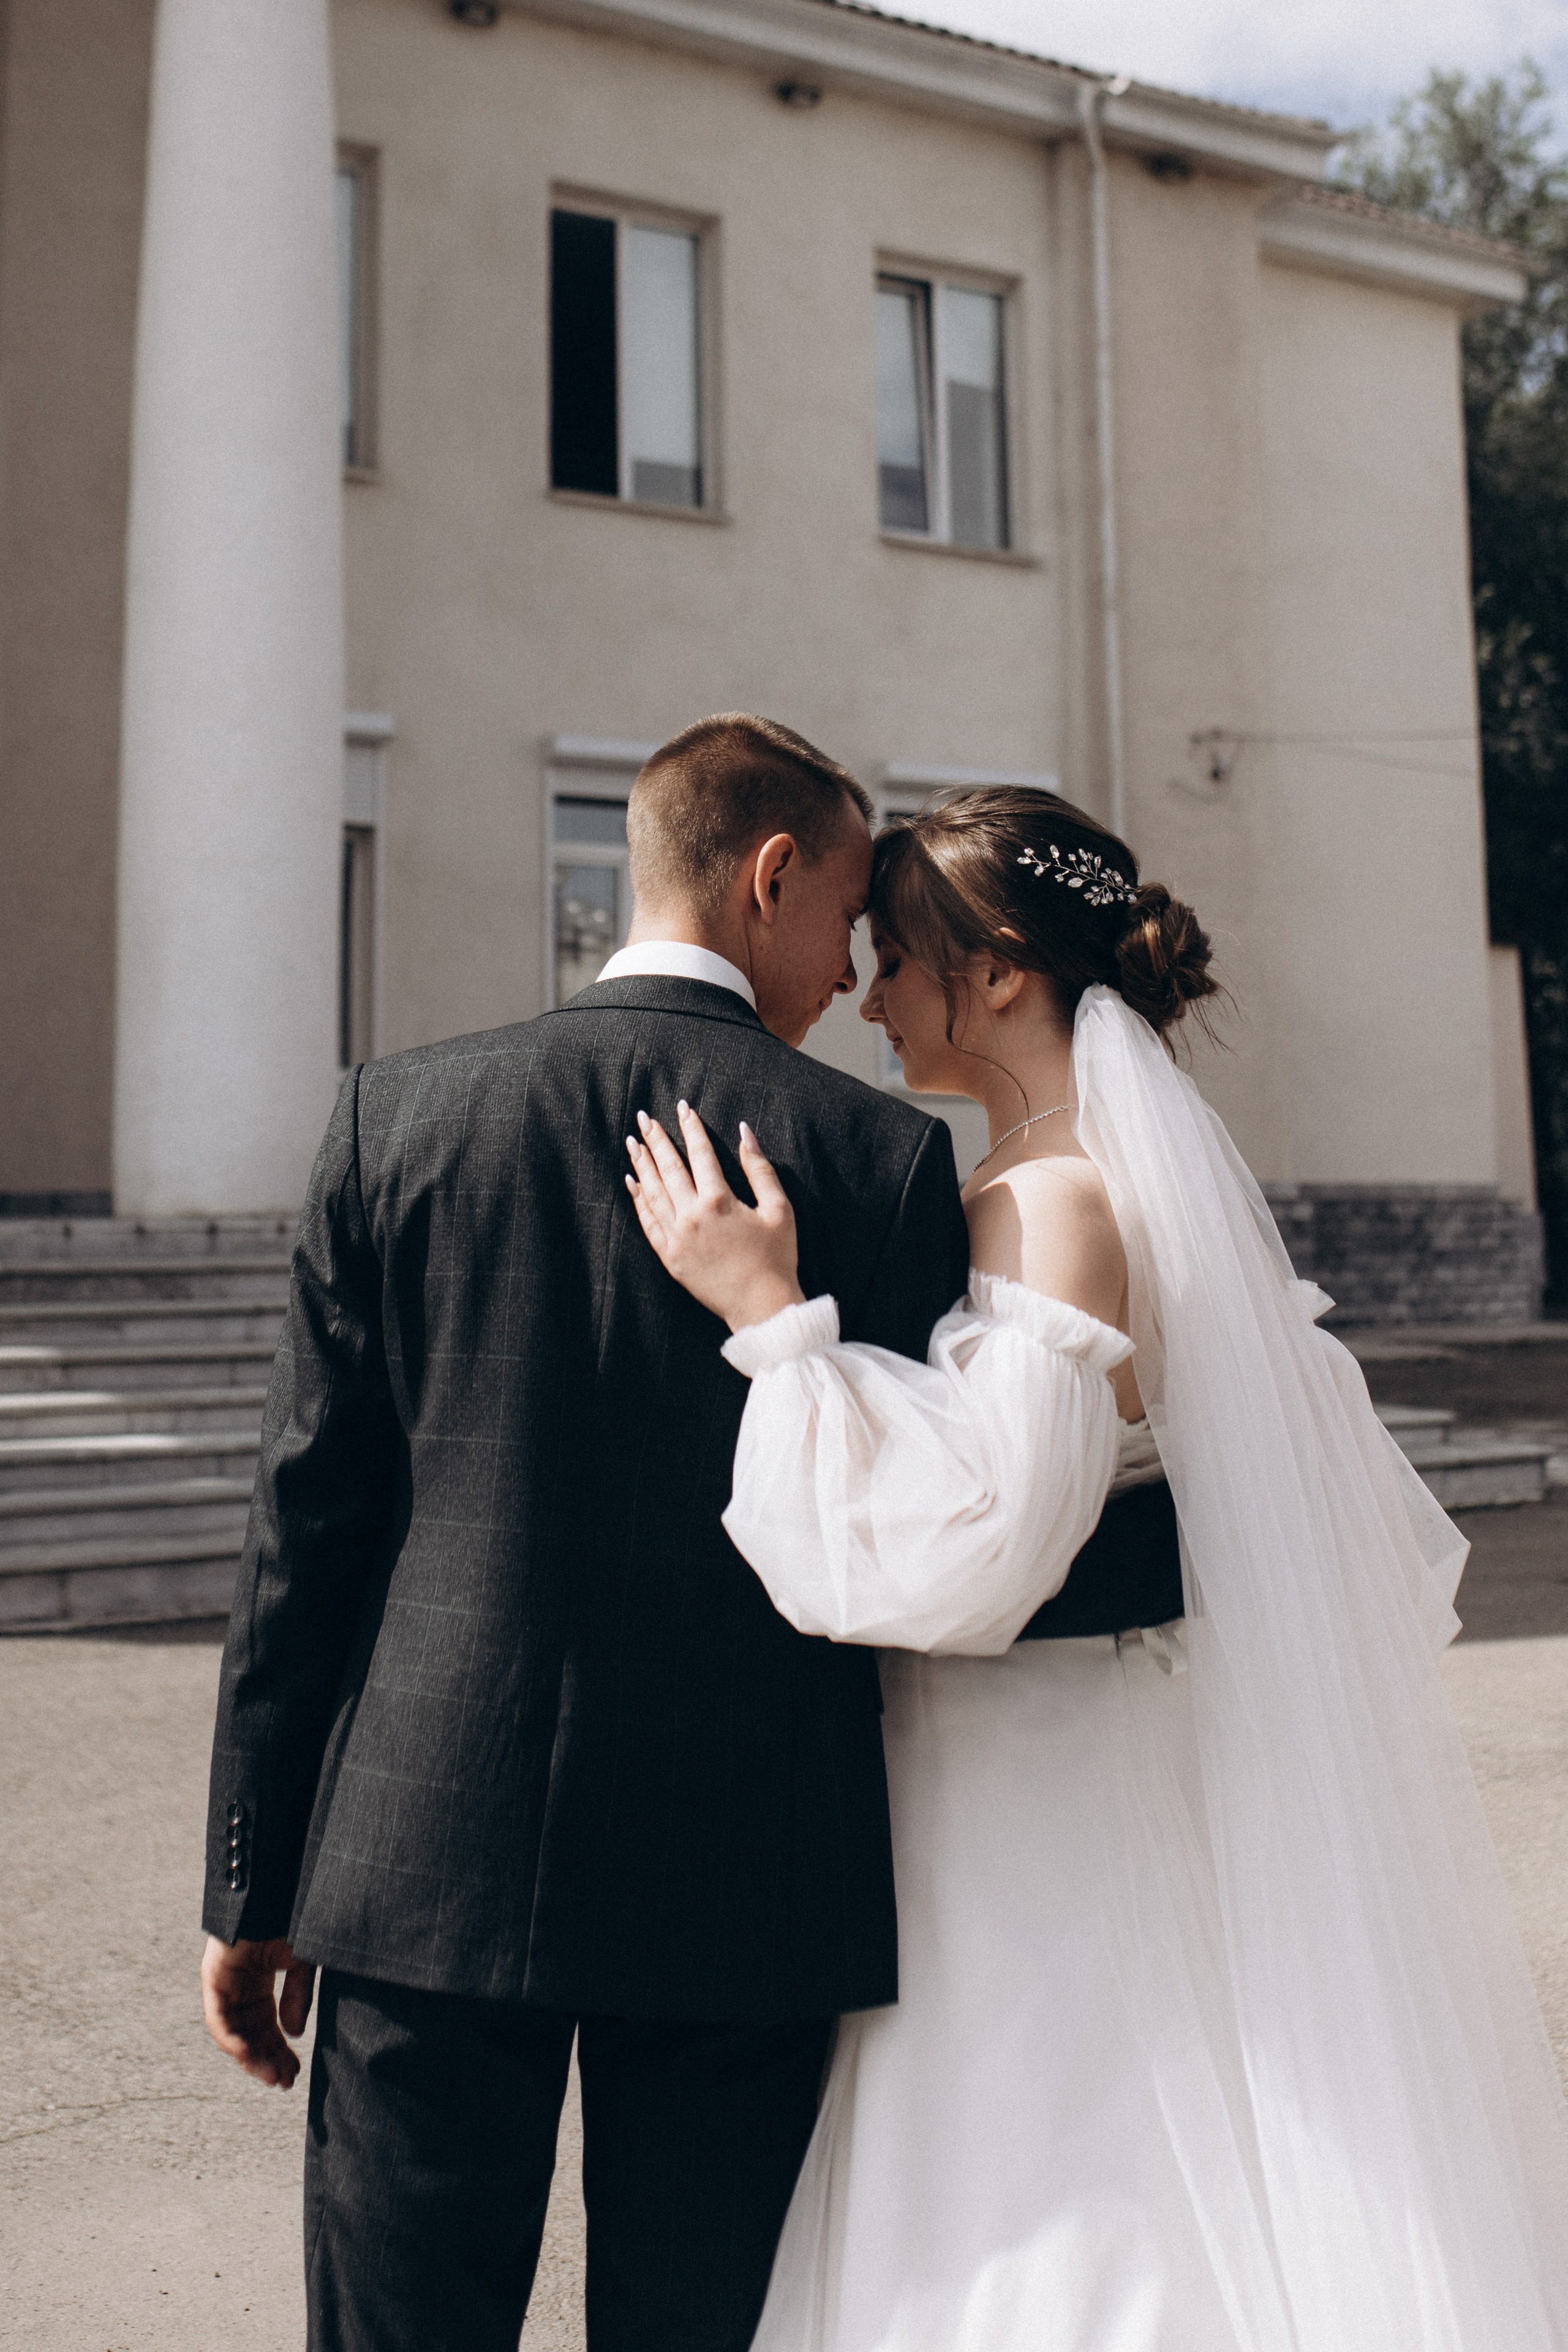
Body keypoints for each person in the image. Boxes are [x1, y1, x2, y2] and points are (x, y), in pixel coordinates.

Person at [625, 785, 1568, 2352]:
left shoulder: (1047, 1201)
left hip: (1033, 1768)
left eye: (896, 960)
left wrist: (769, 1323)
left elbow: (992, 1546)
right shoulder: (1100, 1176)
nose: (868, 996)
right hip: (1094, 1731)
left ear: (997, 972)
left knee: (1053, 2133)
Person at [198, 714, 971, 2352]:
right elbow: (900, 1539)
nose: (848, 969)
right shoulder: (881, 1161)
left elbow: (304, 1532)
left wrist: (253, 1877)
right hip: (748, 1881)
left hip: (419, 1865)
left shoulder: (397, 1118)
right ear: (771, 875)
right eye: (844, 917)